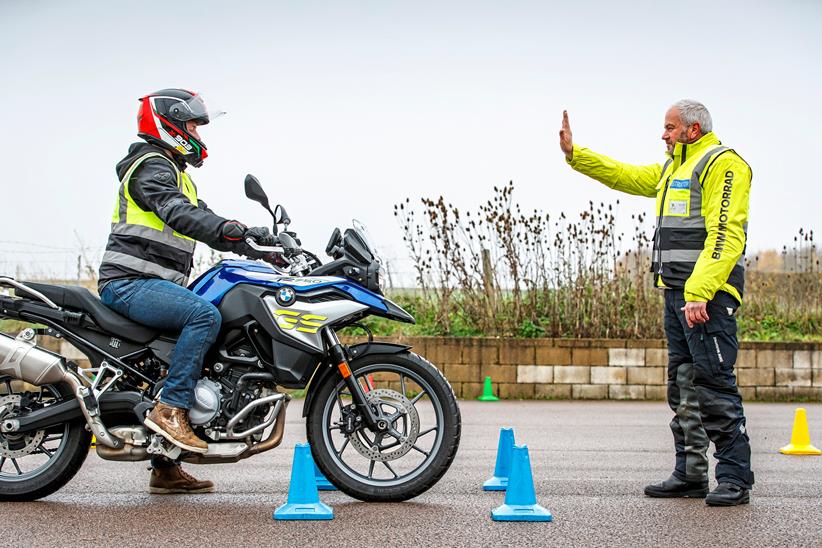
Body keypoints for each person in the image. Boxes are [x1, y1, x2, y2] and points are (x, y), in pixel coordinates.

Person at [559, 100, 754, 506]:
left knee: (715, 387)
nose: (663, 135)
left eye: (669, 127)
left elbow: (727, 234)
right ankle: (691, 473)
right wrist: (577, 155)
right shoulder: (671, 169)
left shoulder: (723, 163)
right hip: (676, 295)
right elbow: (626, 176)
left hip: (707, 299)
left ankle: (735, 479)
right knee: (682, 387)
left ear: (693, 129)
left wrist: (700, 290)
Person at [97, 88, 274, 494]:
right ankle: (171, 411)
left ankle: (165, 465)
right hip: (130, 283)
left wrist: (253, 241)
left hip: (153, 284)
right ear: (171, 123)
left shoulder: (176, 175)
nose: (196, 131)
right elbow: (178, 213)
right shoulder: (150, 166)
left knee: (205, 326)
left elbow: (202, 218)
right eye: (192, 124)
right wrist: (232, 230)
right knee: (203, 315)